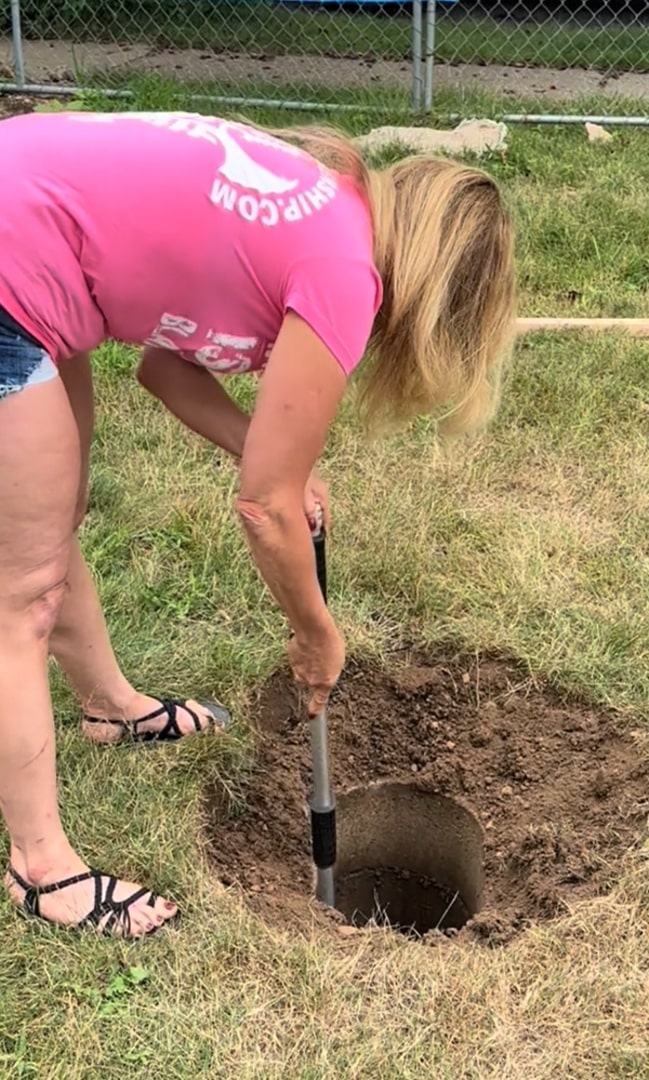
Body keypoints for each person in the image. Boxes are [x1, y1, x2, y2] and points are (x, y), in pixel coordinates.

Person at [0, 109, 515, 938]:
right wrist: (315, 632)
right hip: (9, 264)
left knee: (47, 522)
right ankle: (42, 871)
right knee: (20, 590)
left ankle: (111, 707)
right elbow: (263, 506)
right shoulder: (344, 273)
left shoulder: (330, 211)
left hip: (29, 247)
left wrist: (273, 455)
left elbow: (165, 370)